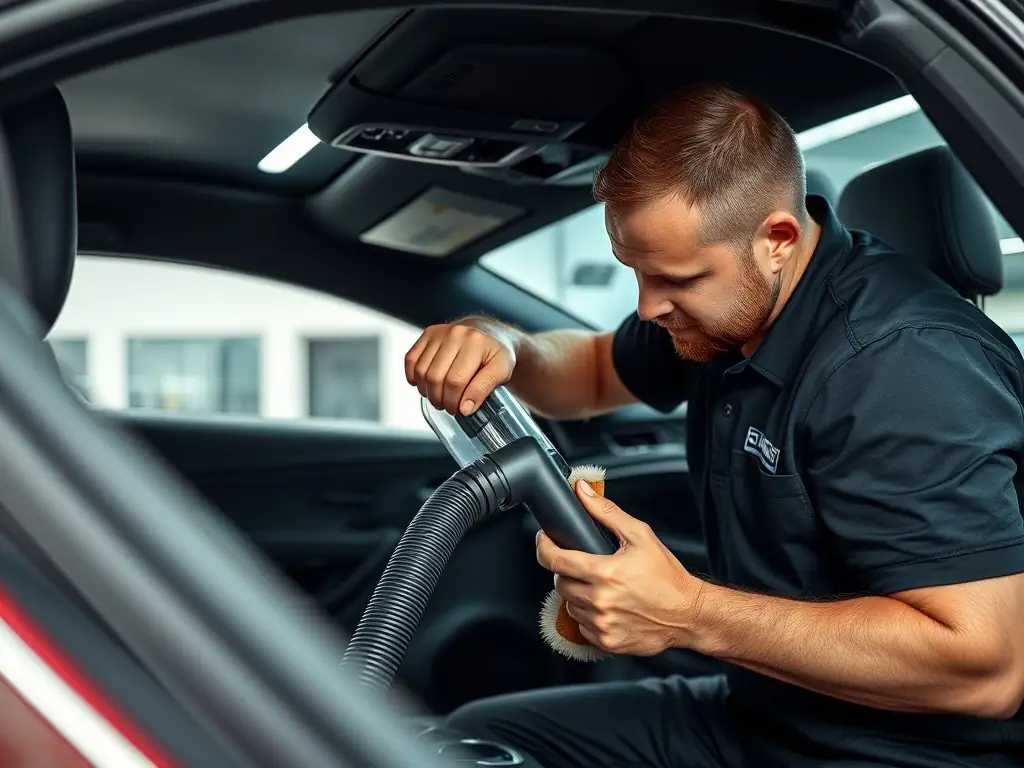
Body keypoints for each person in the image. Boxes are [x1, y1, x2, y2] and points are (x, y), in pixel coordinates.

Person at [404, 82, 1024, 767]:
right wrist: (505, 345)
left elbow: (987, 670)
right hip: (761, 719)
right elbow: (589, 373)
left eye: (677, 279)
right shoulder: (726, 312)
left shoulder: (902, 368)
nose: (648, 307)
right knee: (472, 742)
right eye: (637, 272)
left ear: (777, 240)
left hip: (906, 754)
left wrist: (689, 612)